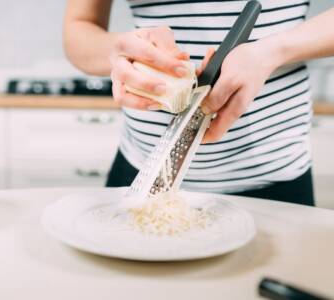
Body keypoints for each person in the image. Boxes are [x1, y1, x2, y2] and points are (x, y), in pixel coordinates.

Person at [64, 0, 334, 206]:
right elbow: (79, 28)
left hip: (276, 174)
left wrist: (273, 50)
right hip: (143, 170)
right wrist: (116, 51)